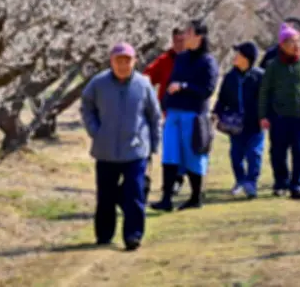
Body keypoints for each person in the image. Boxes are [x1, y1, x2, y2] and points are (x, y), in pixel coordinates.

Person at [80, 42, 161, 251]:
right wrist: (94, 130)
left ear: (134, 62)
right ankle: (104, 234)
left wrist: (154, 143)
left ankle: (133, 235)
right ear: (111, 62)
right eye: (119, 61)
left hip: (135, 149)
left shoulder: (143, 84)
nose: (123, 65)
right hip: (105, 150)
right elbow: (86, 106)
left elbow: (154, 115)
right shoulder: (98, 83)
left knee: (134, 193)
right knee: (105, 195)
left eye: (127, 61)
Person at [150, 19, 219, 212]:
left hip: (194, 115)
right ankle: (166, 199)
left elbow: (207, 89)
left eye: (189, 32)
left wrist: (184, 87)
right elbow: (171, 82)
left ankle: (196, 197)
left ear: (199, 36)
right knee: (170, 155)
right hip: (173, 113)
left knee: (193, 156)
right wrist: (165, 105)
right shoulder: (180, 58)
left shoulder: (208, 61)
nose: (184, 36)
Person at [259, 24, 300, 200]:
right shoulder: (273, 66)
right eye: (292, 42)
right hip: (278, 117)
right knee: (278, 152)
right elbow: (265, 91)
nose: (297, 45)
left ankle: (298, 185)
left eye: (298, 41)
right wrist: (263, 115)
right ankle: (281, 183)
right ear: (282, 45)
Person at [212, 42, 265, 199]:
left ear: (247, 58)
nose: (235, 57)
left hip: (255, 124)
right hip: (235, 125)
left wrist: (266, 116)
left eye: (238, 54)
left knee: (254, 154)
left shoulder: (260, 76)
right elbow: (222, 99)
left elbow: (267, 98)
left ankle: (251, 183)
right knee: (236, 154)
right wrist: (217, 112)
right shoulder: (230, 77)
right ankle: (240, 180)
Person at [142, 27, 186, 196]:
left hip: (188, 109)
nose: (179, 45)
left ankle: (179, 178)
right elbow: (148, 76)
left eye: (182, 41)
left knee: (183, 147)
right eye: (176, 41)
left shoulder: (192, 60)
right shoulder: (165, 60)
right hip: (168, 111)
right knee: (170, 148)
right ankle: (171, 181)